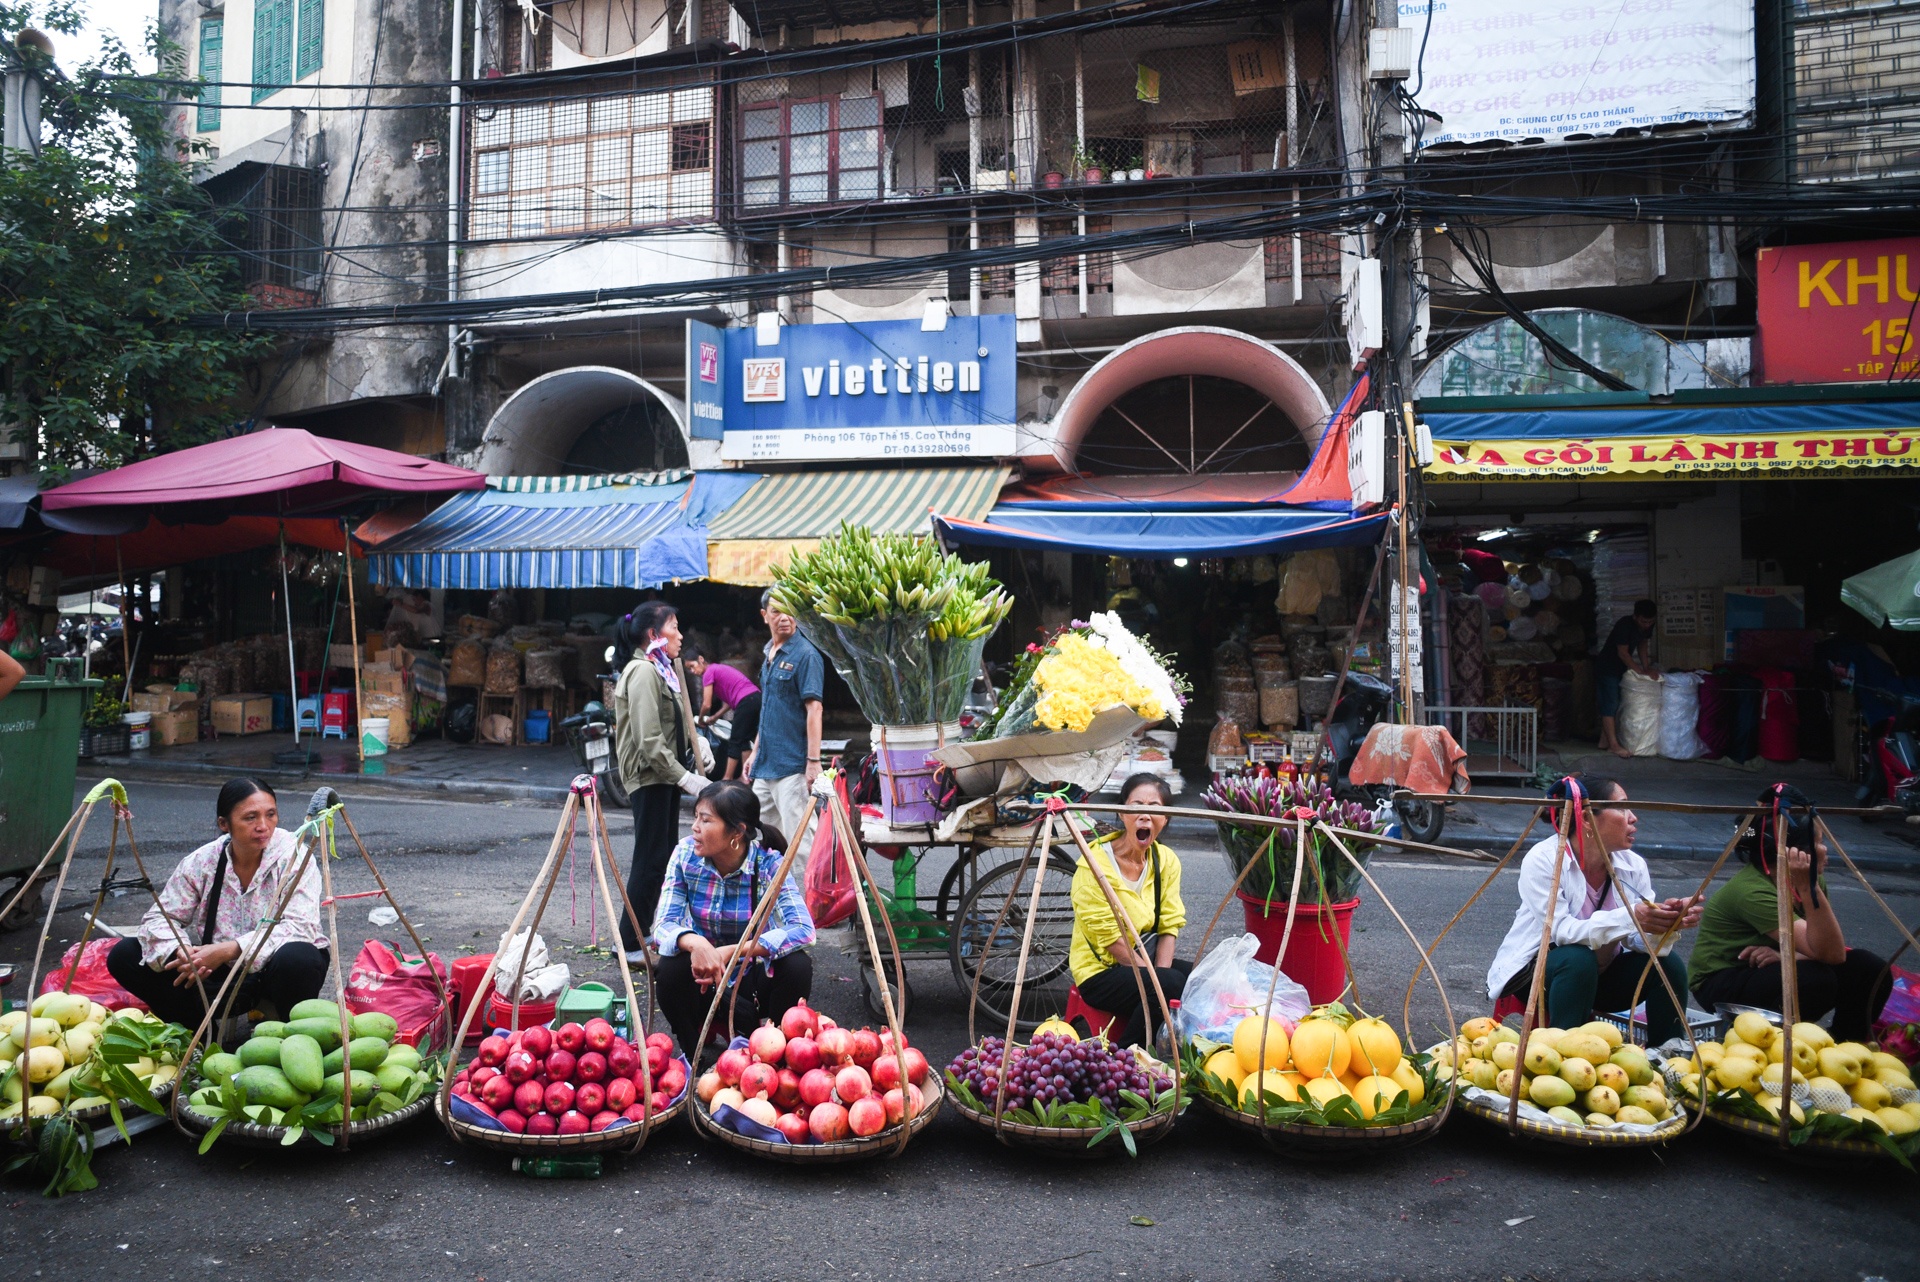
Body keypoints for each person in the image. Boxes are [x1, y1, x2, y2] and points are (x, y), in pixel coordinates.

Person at [1486, 775, 1702, 1044]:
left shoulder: (1633, 865)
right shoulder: (1544, 860)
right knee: (1577, 958)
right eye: (1622, 808)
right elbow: (1562, 931)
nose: (1633, 818)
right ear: (1587, 818)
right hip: (1540, 977)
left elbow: (1639, 942)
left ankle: (1667, 1054)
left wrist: (1665, 923)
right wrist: (1632, 916)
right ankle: (1563, 1053)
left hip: (1600, 977)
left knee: (1666, 964)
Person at [105, 779, 328, 1028]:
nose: (263, 826)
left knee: (299, 957)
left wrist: (229, 950)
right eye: (250, 818)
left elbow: (302, 927)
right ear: (224, 824)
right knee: (124, 954)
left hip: (272, 970)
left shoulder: (296, 857)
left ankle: (290, 1030)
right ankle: (196, 1031)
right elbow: (159, 918)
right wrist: (182, 952)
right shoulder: (202, 861)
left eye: (271, 815)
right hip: (215, 973)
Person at [1690, 786, 1891, 1041]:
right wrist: (1809, 891)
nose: (1825, 849)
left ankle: (1848, 1042)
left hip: (1777, 963)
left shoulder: (1810, 882)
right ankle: (1776, 1044)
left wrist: (1788, 955)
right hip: (1724, 978)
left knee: (1868, 967)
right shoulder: (1752, 891)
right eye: (1818, 842)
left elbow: (1829, 948)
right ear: (1795, 852)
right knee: (1816, 979)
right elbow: (1831, 954)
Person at [651, 781, 815, 1057]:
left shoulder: (769, 863)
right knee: (669, 969)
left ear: (736, 832)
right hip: (704, 978)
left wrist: (733, 951)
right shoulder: (684, 854)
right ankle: (695, 1053)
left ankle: (776, 1052)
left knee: (797, 966)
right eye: (696, 818)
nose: (695, 827)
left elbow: (803, 929)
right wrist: (697, 945)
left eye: (706, 820)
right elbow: (663, 925)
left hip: (751, 978)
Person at [612, 602, 713, 961]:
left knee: (664, 857)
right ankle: (628, 942)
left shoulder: (661, 669)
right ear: (654, 635)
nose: (681, 635)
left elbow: (675, 723)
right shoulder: (642, 671)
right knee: (651, 859)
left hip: (663, 775)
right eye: (674, 627)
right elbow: (649, 741)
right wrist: (685, 778)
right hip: (650, 776)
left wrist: (697, 742)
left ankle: (647, 931)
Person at [1069, 774, 1191, 1047]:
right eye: (1137, 805)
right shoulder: (1094, 864)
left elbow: (1169, 925)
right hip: (1100, 972)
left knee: (1198, 979)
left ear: (1166, 819)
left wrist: (1159, 976)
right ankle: (1125, 1056)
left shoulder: (1165, 860)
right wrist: (1158, 982)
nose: (1145, 815)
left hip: (1143, 960)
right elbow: (1110, 939)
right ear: (1122, 813)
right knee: (1169, 984)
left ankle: (1168, 1046)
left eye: (1155, 809)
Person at [745, 588, 824, 849]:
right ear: (764, 615)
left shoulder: (806, 655)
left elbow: (815, 709)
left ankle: (804, 892)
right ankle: (771, 890)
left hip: (792, 767)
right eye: (777, 611)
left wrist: (813, 762)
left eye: (790, 611)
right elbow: (769, 709)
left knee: (800, 843)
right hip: (766, 766)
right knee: (760, 838)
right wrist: (755, 751)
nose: (784, 617)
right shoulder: (770, 652)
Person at [684, 642, 761, 783]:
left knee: (735, 740)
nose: (692, 672)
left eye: (692, 666)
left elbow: (706, 704)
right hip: (755, 698)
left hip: (746, 700)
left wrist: (701, 719)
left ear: (701, 660)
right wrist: (715, 717)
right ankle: (747, 777)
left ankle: (727, 777)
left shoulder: (709, 672)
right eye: (689, 669)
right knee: (745, 740)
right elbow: (728, 702)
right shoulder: (716, 670)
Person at [1596, 599, 1659, 758]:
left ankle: (1604, 741)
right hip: (1607, 667)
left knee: (1616, 703)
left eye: (1651, 621)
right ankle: (1614, 745)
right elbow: (1623, 653)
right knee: (1610, 703)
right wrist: (1639, 672)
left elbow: (1643, 643)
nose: (1647, 625)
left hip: (1621, 668)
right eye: (1644, 621)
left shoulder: (1647, 625)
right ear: (1635, 617)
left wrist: (1646, 667)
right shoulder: (1624, 625)